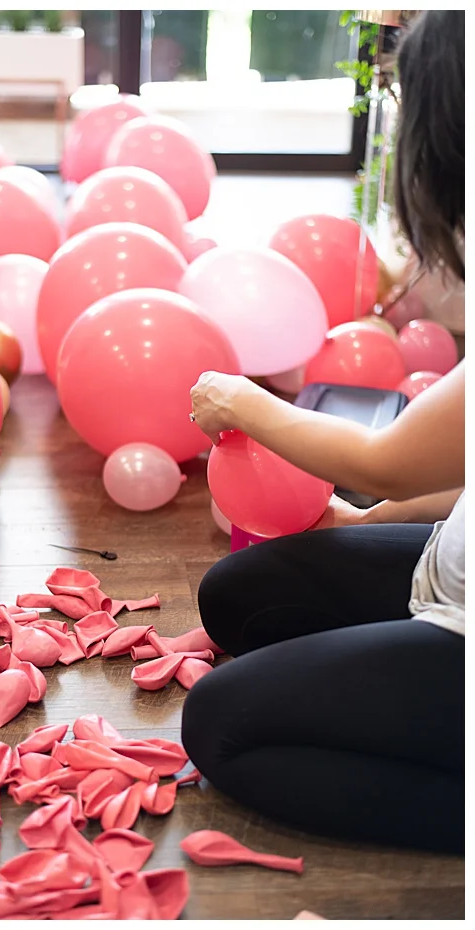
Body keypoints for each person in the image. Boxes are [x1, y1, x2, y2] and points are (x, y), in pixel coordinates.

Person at [182, 9, 464, 854]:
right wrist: (363, 527)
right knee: (235, 597)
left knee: (221, 728)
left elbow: (382, 458)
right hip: (449, 576)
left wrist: (242, 402)